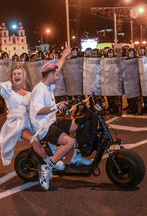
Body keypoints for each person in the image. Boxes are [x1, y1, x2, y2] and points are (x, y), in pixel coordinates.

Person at [0, 60, 64, 169]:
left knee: (49, 131)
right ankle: (49, 163)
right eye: (14, 74)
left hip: (30, 121)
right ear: (12, 77)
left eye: (19, 74)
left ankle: (53, 151)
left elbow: (50, 75)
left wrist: (64, 57)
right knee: (35, 140)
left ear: (24, 77)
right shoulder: (8, 90)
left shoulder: (29, 94)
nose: (16, 76)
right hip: (17, 124)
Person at [30, 45, 92, 190]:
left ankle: (76, 158)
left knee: (78, 125)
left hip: (51, 120)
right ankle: (47, 168)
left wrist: (64, 56)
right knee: (69, 142)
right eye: (56, 75)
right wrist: (57, 106)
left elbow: (56, 66)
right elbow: (38, 111)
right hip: (43, 127)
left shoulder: (48, 84)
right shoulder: (40, 90)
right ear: (51, 76)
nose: (58, 77)